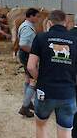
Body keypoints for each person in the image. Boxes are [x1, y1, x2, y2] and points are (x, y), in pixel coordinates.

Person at [28, 10, 77, 138]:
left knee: (41, 125)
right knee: (65, 132)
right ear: (65, 22)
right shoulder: (75, 40)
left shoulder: (41, 37)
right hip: (68, 93)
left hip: (45, 92)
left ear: (49, 22)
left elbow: (30, 66)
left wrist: (40, 79)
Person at [18, 8, 40, 118]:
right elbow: (23, 44)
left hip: (24, 55)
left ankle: (28, 101)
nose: (37, 18)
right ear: (31, 16)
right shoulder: (27, 28)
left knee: (27, 79)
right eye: (36, 16)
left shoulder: (25, 25)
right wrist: (35, 52)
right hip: (27, 55)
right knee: (33, 81)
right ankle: (25, 107)